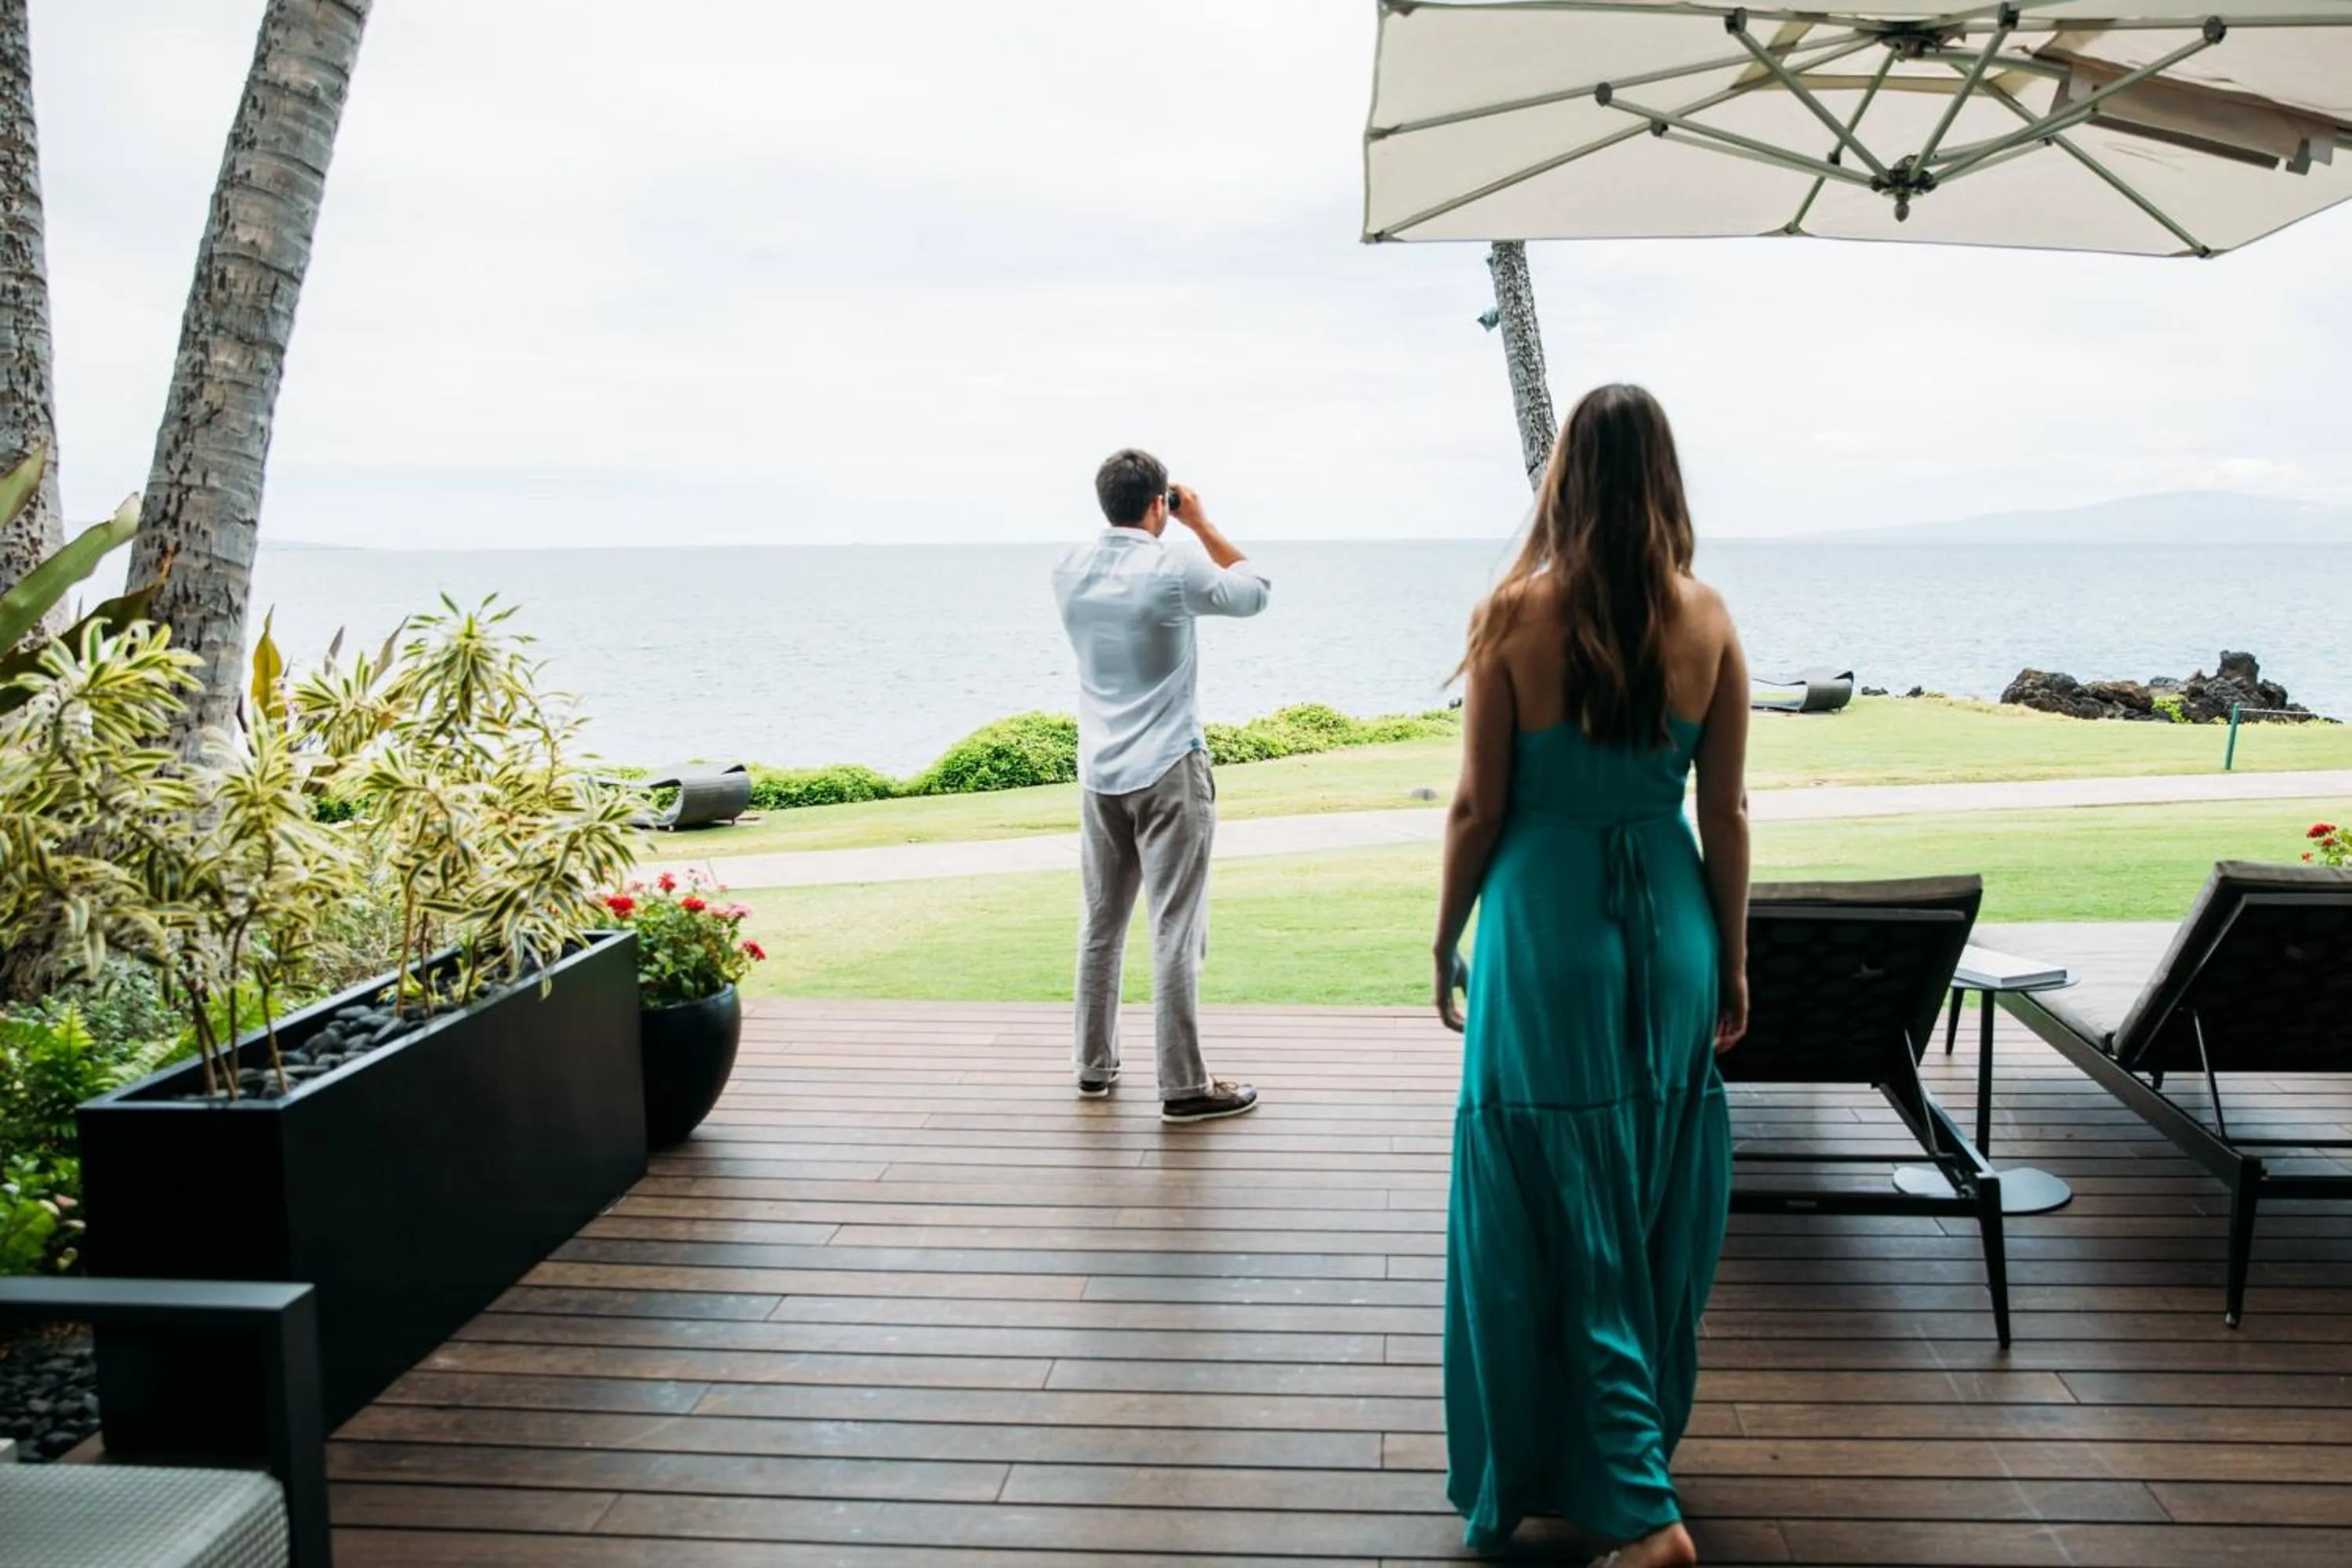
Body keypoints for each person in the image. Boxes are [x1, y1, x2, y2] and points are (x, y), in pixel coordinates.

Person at [1431, 386, 1751, 1566]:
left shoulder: (1512, 618)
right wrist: (1733, 959)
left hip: (1545, 929)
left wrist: (1443, 932)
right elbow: (1725, 810)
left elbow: (1477, 804)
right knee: (1637, 1203)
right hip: (1670, 929)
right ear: (1666, 479)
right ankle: (1617, 1457)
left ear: (1563, 477)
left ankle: (1637, 1506)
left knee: (1561, 1208)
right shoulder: (1710, 619)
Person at [1052, 448, 1269, 1123]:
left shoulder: (1068, 569)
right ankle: (1183, 1086)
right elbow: (1254, 590)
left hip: (1100, 774)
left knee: (1101, 925)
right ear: (1159, 505)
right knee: (1175, 928)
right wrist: (1202, 525)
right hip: (1170, 769)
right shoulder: (1173, 564)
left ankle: (1094, 1067)